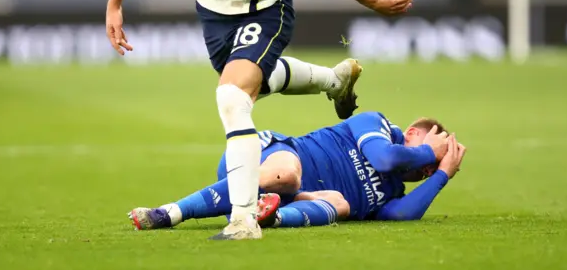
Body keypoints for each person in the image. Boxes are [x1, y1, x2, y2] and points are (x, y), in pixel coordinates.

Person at [107, 0, 413, 240]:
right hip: (215, 15)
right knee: (253, 84)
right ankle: (333, 81)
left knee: (232, 97)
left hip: (265, 12)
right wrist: (115, 4)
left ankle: (243, 220)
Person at [128, 111, 466, 232]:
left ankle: (270, 217)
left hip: (292, 196)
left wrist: (442, 175)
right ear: (410, 134)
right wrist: (429, 151)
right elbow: (385, 160)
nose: (425, 167)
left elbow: (401, 217)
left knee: (342, 204)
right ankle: (170, 212)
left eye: (429, 170)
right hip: (272, 155)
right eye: (428, 154)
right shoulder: (376, 125)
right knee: (289, 174)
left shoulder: (393, 194)